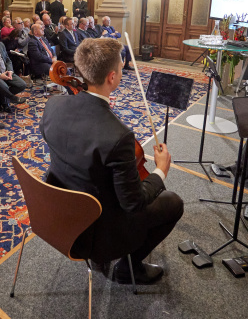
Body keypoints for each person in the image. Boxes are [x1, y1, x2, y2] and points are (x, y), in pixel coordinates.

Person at [40, 38, 183, 283]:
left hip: (57, 214)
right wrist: (160, 170)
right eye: (120, 67)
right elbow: (133, 203)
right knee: (173, 202)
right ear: (112, 77)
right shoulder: (119, 136)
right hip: (96, 232)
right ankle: (128, 268)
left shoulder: (53, 105)